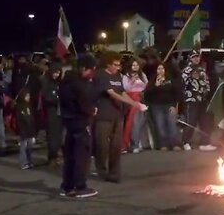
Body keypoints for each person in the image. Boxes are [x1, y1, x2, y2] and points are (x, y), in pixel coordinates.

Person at [93, 51, 147, 183]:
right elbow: (112, 93)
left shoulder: (117, 75)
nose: (118, 67)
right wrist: (134, 103)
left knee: (116, 146)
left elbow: (122, 92)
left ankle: (114, 173)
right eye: (115, 64)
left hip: (117, 114)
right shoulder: (101, 75)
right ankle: (101, 169)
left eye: (119, 65)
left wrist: (136, 103)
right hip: (104, 115)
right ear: (108, 64)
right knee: (102, 145)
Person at [59, 55, 98, 198]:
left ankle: (67, 186)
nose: (92, 73)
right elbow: (84, 104)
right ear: (83, 68)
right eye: (91, 70)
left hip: (68, 122)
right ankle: (80, 187)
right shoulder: (79, 84)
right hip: (80, 122)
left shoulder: (65, 82)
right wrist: (92, 110)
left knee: (69, 156)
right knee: (81, 156)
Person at [181, 50, 216, 151]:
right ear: (190, 59)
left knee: (205, 121)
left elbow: (207, 83)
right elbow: (183, 85)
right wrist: (186, 96)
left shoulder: (202, 70)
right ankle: (186, 141)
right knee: (191, 121)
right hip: (192, 100)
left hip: (203, 99)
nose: (196, 59)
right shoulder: (186, 71)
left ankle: (205, 143)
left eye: (198, 57)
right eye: (194, 57)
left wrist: (206, 92)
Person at [146, 63, 182, 151]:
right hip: (157, 106)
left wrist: (174, 106)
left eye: (162, 69)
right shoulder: (152, 81)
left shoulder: (170, 80)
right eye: (159, 69)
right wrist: (156, 86)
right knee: (160, 125)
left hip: (169, 105)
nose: (161, 71)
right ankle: (163, 144)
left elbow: (176, 93)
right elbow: (147, 94)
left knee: (172, 124)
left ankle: (175, 144)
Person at [121, 59, 148, 154]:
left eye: (137, 65)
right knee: (134, 123)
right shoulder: (126, 76)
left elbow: (146, 86)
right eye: (133, 65)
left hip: (142, 99)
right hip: (132, 100)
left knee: (141, 122)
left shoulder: (142, 75)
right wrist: (131, 81)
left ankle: (139, 141)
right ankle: (134, 144)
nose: (135, 67)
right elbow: (125, 88)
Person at [41, 62, 63, 166]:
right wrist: (57, 99)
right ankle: (52, 156)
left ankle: (56, 154)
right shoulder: (45, 81)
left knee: (59, 135)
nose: (56, 75)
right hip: (51, 111)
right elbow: (46, 97)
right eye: (55, 72)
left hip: (59, 112)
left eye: (58, 73)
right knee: (52, 135)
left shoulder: (59, 82)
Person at [15, 88, 36, 170]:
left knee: (30, 147)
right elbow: (21, 120)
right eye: (26, 96)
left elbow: (31, 118)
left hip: (30, 130)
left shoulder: (29, 106)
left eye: (28, 95)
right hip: (23, 130)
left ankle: (29, 161)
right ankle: (23, 162)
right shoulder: (20, 107)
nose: (28, 97)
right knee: (23, 147)